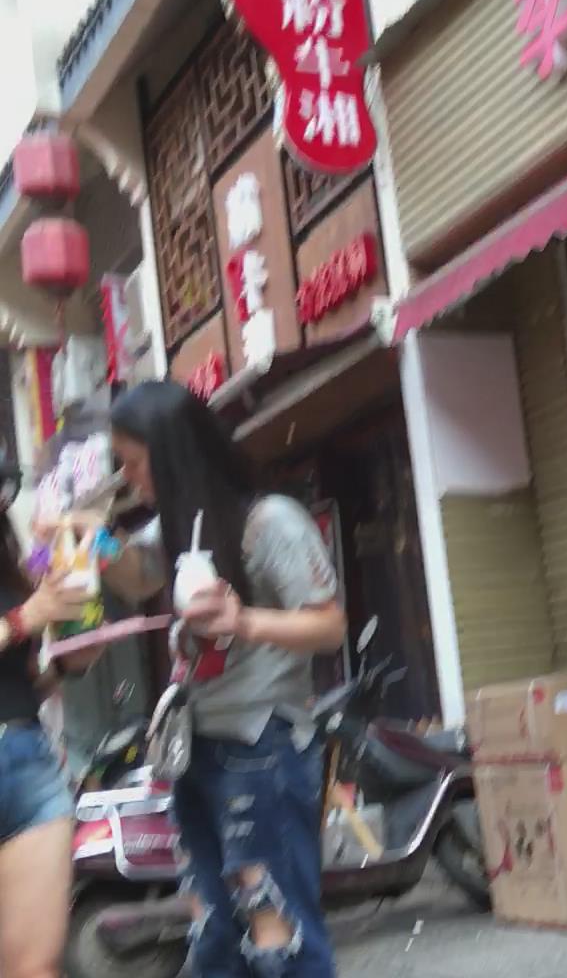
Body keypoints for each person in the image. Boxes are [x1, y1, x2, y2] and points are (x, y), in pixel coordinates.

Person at [110, 382, 345, 977]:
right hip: (198, 752)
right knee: (213, 932)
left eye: (134, 463)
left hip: (262, 746)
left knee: (277, 932)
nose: (128, 478)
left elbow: (329, 626)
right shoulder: (177, 527)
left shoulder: (269, 523)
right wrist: (91, 538)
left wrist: (244, 621)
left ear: (171, 455)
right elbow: (135, 578)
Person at [0, 454, 98, 978]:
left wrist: (68, 661)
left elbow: (24, 680)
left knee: (35, 968)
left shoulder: (10, 562)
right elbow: (21, 622)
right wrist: (26, 618)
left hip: (26, 761)